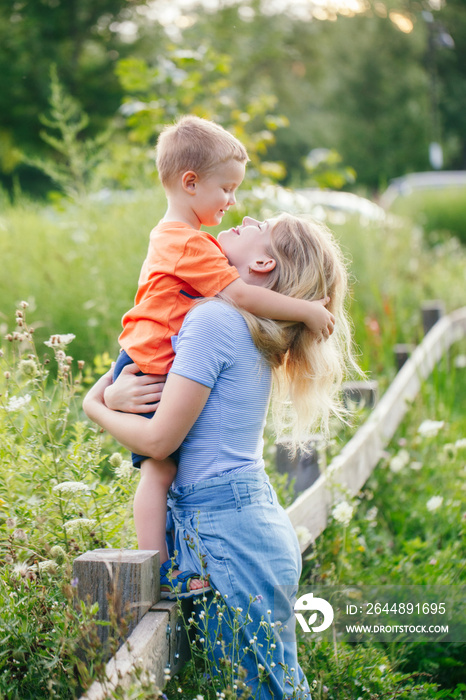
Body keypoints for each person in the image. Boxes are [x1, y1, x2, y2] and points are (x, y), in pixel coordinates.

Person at [83, 213, 359, 698]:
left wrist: (93, 403)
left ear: (262, 261)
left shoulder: (214, 321)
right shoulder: (232, 320)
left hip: (226, 533)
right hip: (238, 523)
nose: (245, 215)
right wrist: (117, 393)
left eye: (262, 223)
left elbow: (157, 442)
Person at [111, 115, 335, 591]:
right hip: (149, 359)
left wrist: (101, 400)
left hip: (151, 356)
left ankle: (164, 563)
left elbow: (236, 296)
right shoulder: (189, 246)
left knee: (161, 469)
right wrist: (305, 311)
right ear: (191, 183)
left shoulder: (197, 256)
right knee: (159, 469)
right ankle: (157, 565)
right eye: (228, 190)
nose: (238, 207)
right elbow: (243, 295)